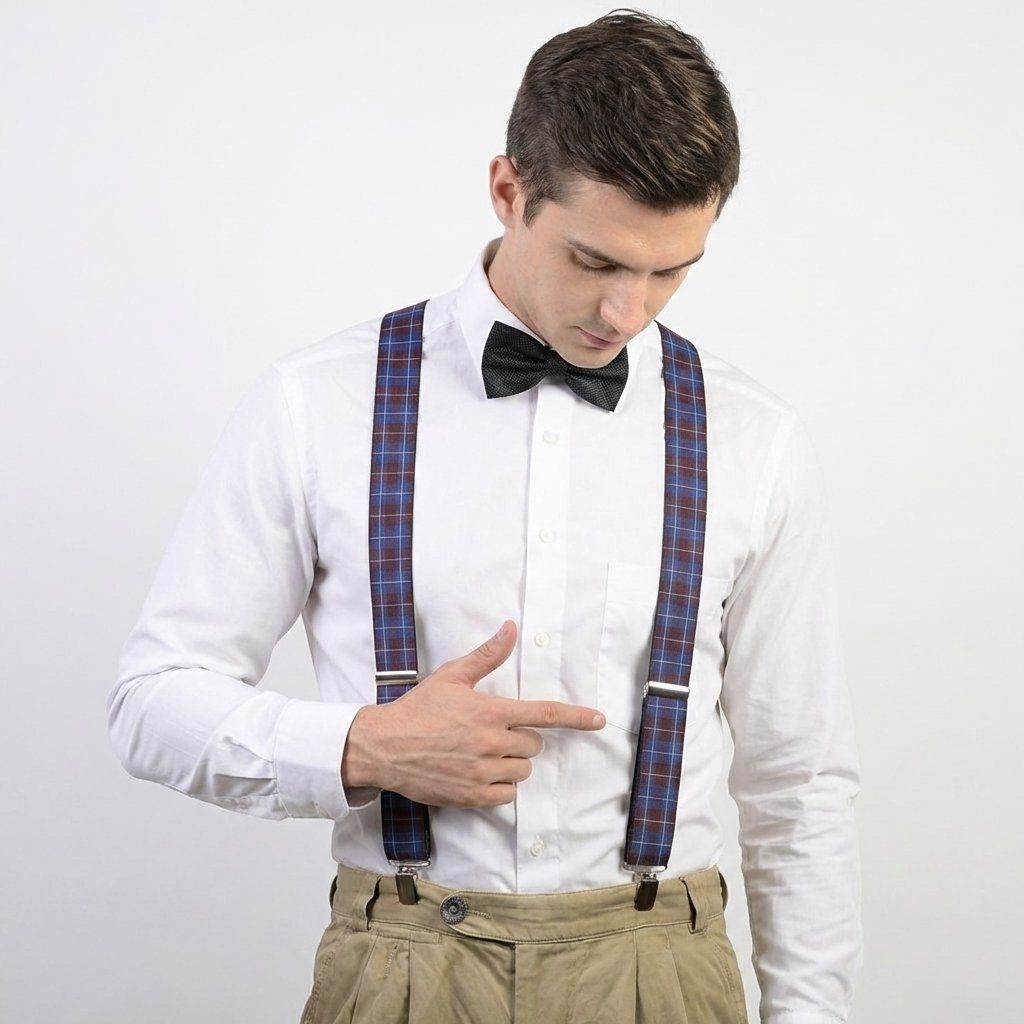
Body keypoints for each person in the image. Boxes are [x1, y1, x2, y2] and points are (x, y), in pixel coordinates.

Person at [106, 8, 862, 1023]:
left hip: (662, 975)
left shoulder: (753, 436)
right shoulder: (318, 402)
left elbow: (799, 783)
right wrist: (362, 747)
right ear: (509, 190)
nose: (627, 312)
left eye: (670, 270)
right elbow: (152, 701)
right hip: (403, 966)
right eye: (595, 261)